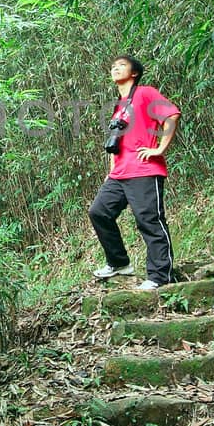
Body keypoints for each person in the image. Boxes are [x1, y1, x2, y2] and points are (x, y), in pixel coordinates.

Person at [88, 55, 181, 289]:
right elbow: (116, 143)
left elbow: (171, 114)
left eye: (121, 65)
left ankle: (160, 276)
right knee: (99, 212)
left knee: (148, 220)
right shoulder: (119, 108)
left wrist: (159, 148)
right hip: (119, 174)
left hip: (143, 169)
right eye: (112, 66)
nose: (115, 68)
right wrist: (111, 171)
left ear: (134, 73)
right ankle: (119, 263)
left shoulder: (145, 93)